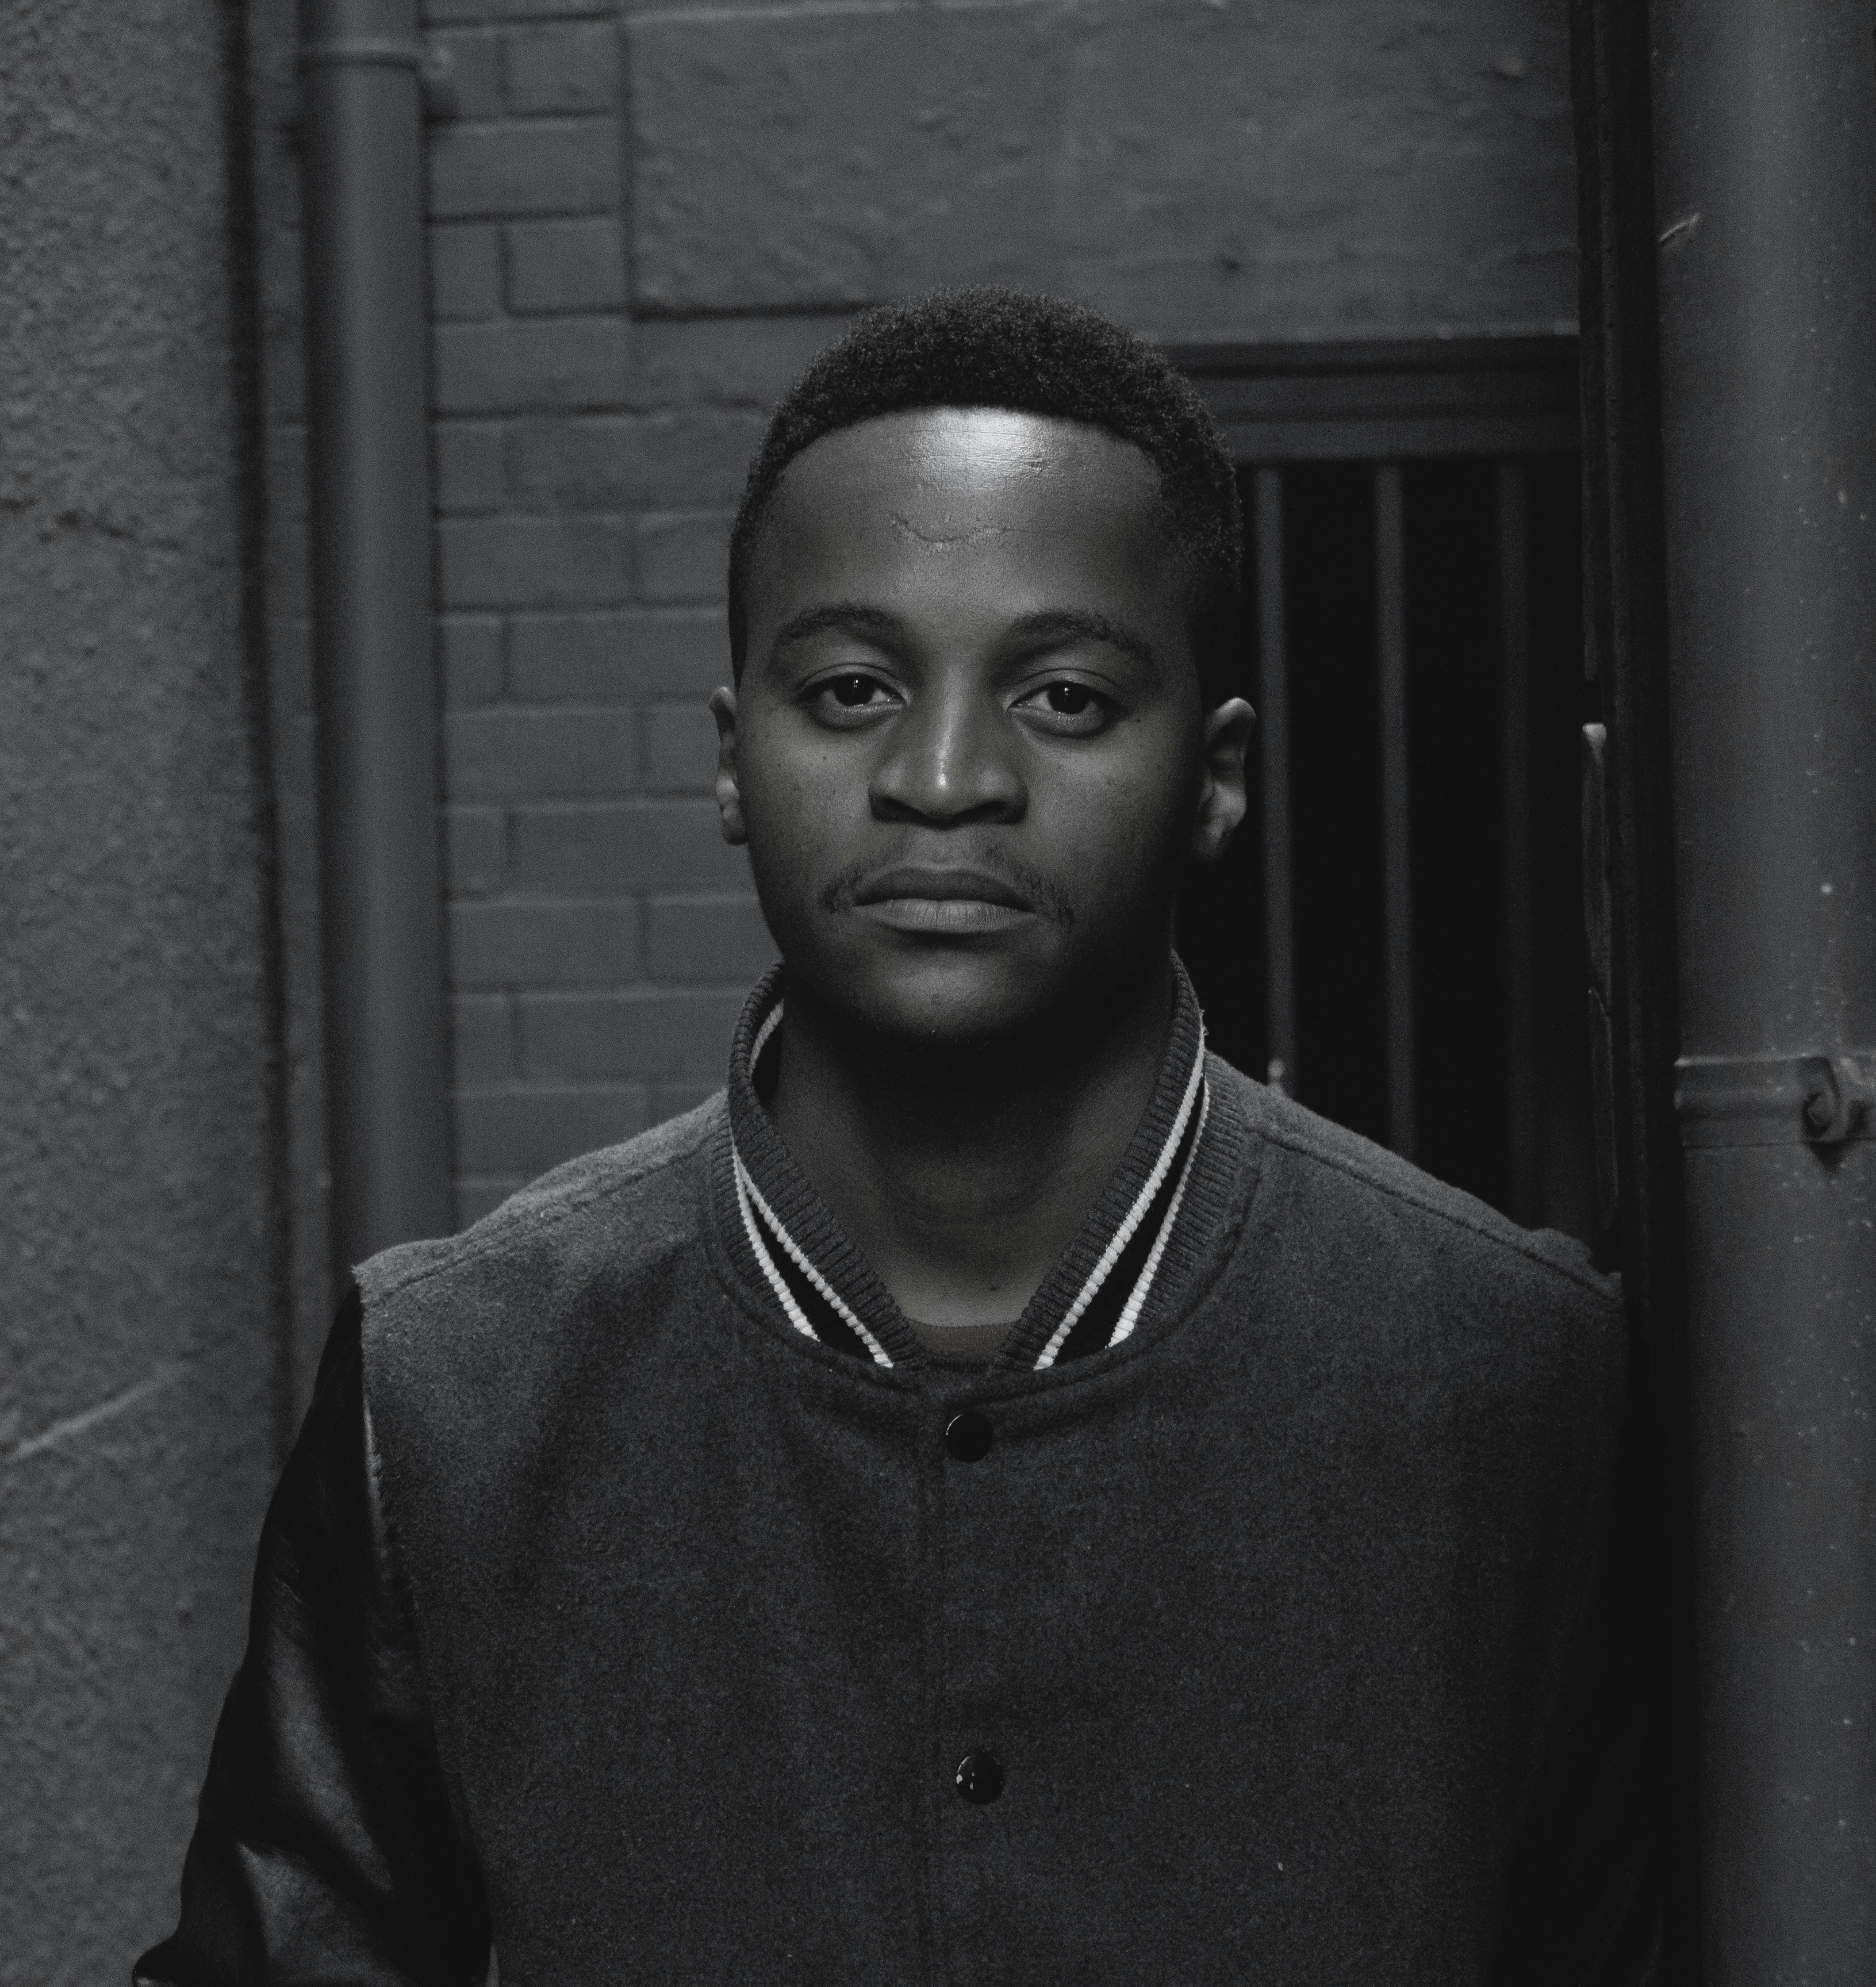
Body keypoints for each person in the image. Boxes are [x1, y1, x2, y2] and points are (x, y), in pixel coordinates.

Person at [137, 289, 1656, 1985]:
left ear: (1216, 776)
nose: (944, 777)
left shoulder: (1527, 1391)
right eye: (853, 687)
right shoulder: (449, 1393)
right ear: (732, 759)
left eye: (1065, 698)